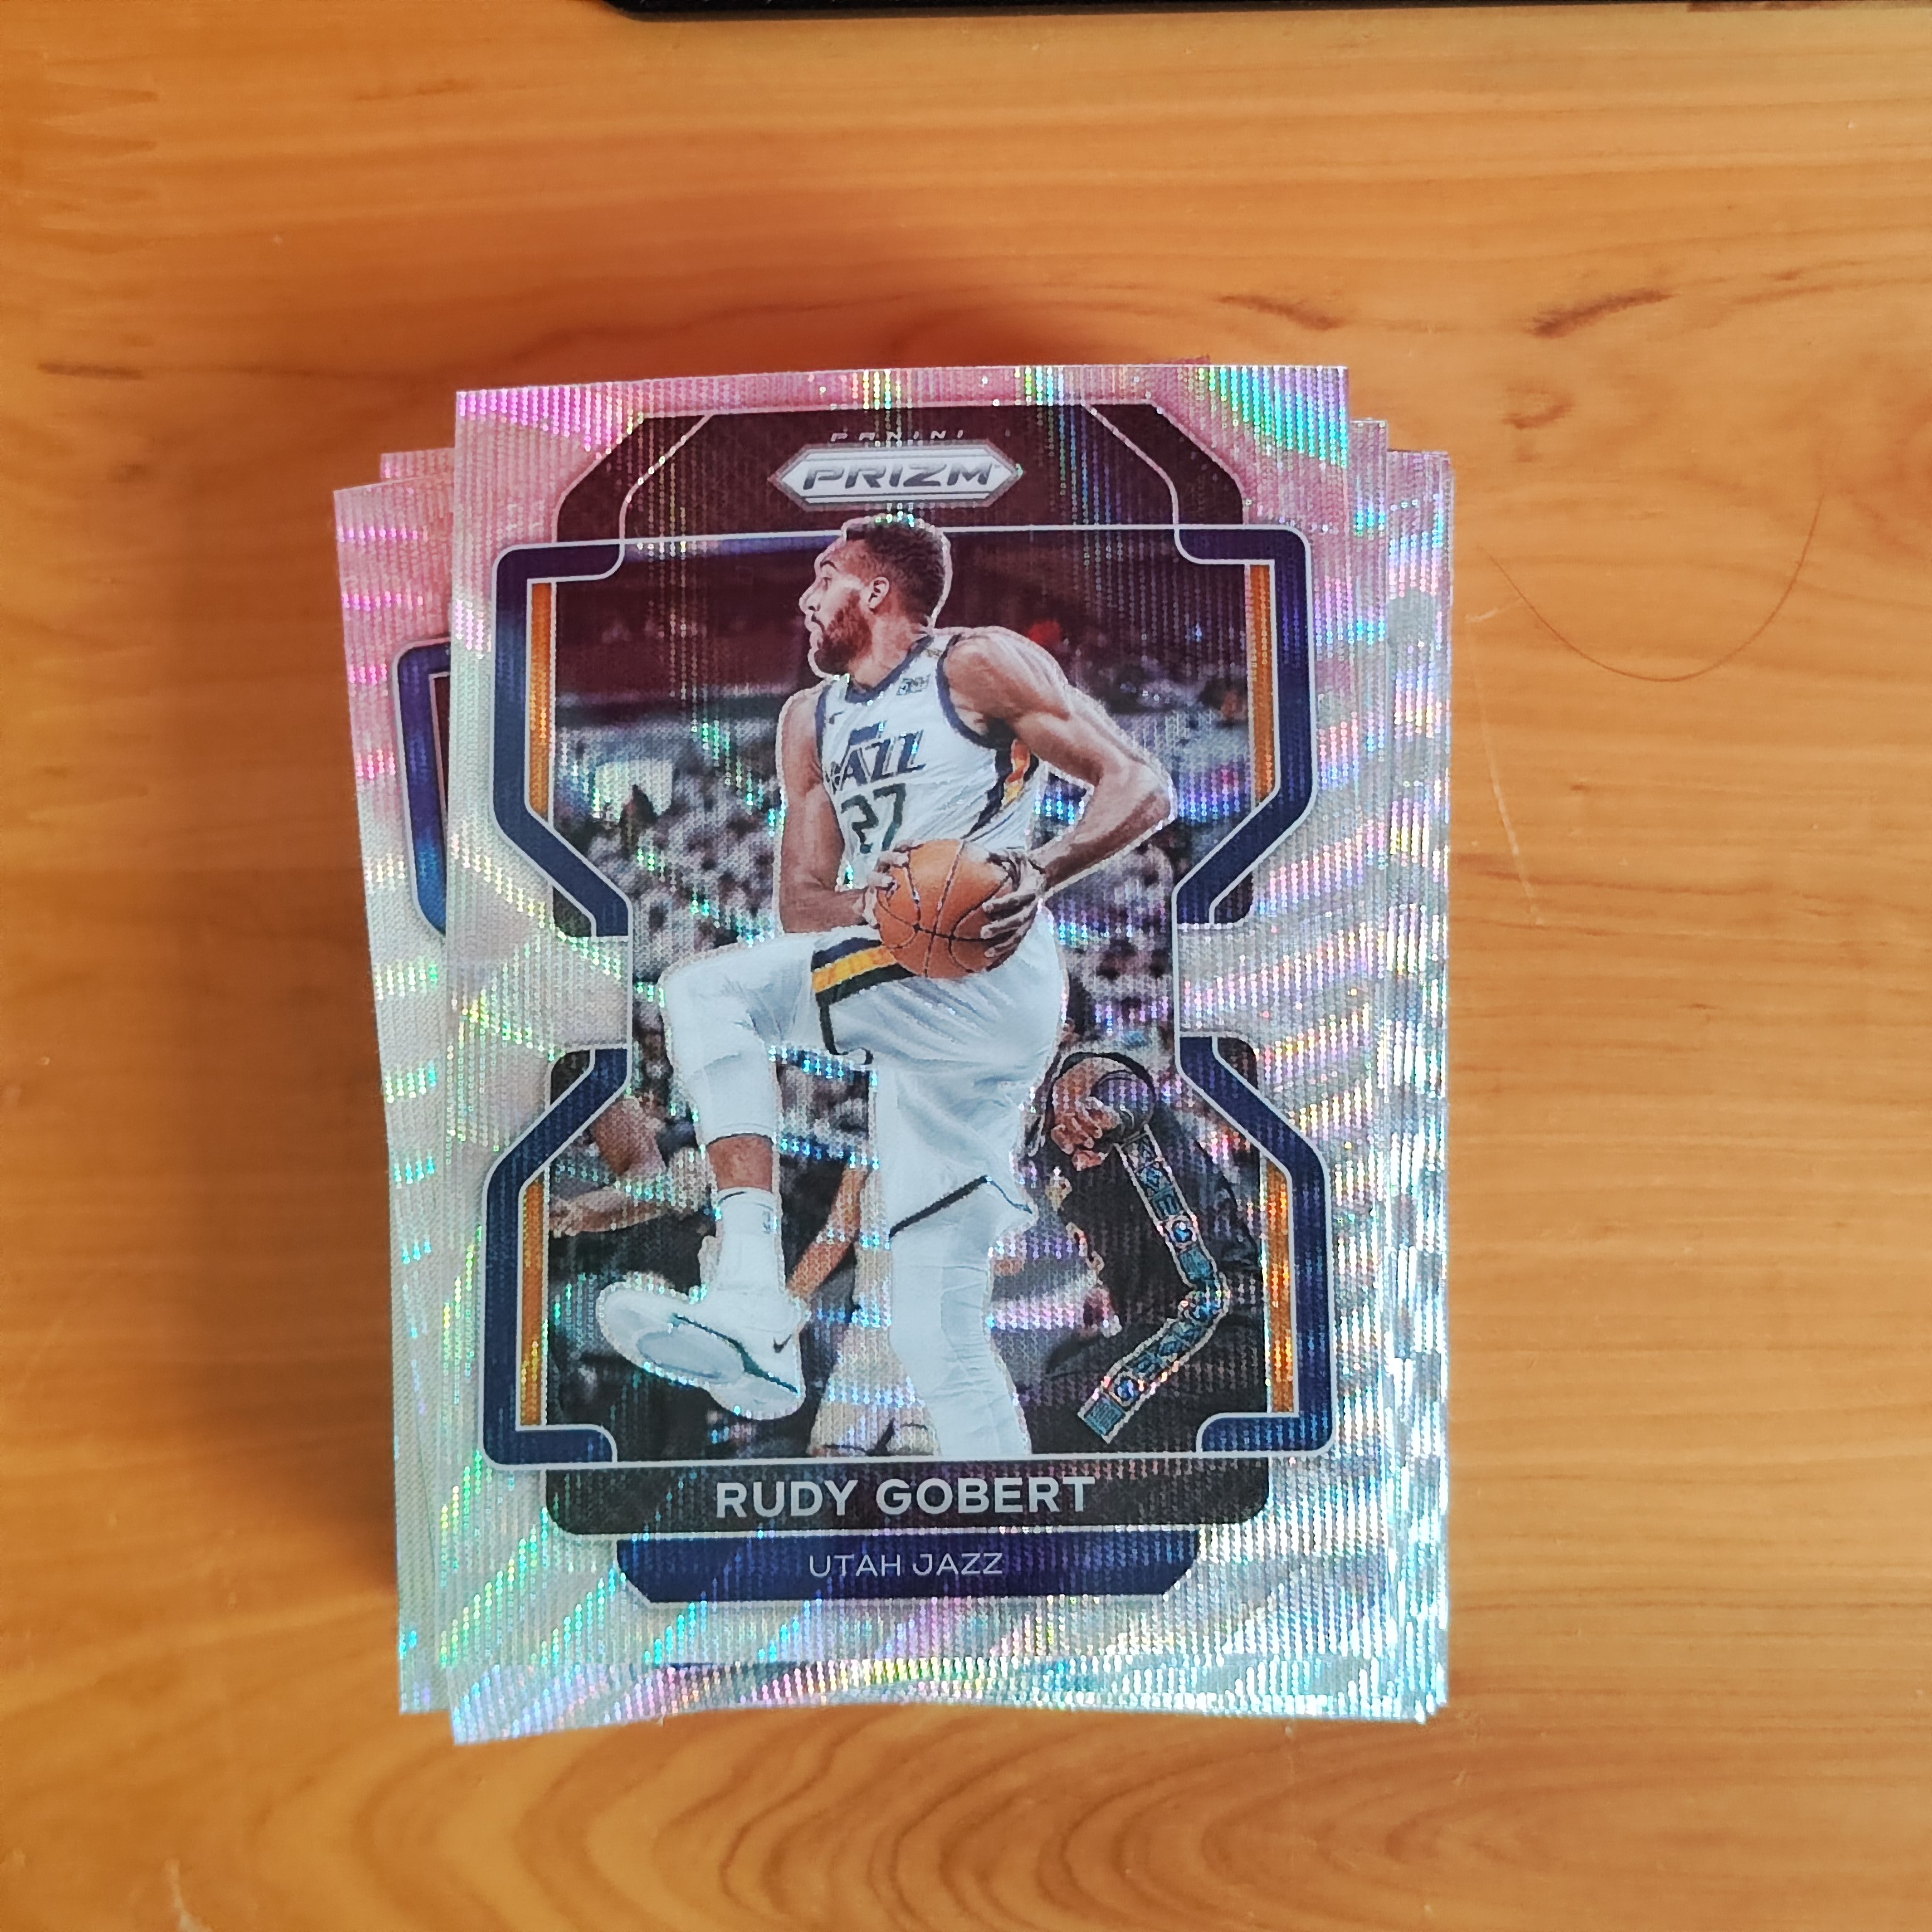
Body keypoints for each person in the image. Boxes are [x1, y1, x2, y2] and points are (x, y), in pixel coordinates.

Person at [596, 514, 1172, 1458]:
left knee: (705, 994)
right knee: (935, 1331)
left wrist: (1038, 870)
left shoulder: (976, 663)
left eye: (823, 575)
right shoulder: (810, 721)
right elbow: (802, 906)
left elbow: (1141, 785)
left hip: (990, 966)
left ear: (874, 590)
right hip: (920, 993)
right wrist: (893, 904)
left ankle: (749, 1296)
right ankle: (1009, 1509)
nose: (803, 597)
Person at [1021, 1050, 1269, 1452]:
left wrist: (1110, 1114)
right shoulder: (1034, 1143)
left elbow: (1125, 1090)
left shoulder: (1074, 1076)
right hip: (1161, 1332)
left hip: (1213, 1312)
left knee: (1038, 1423)